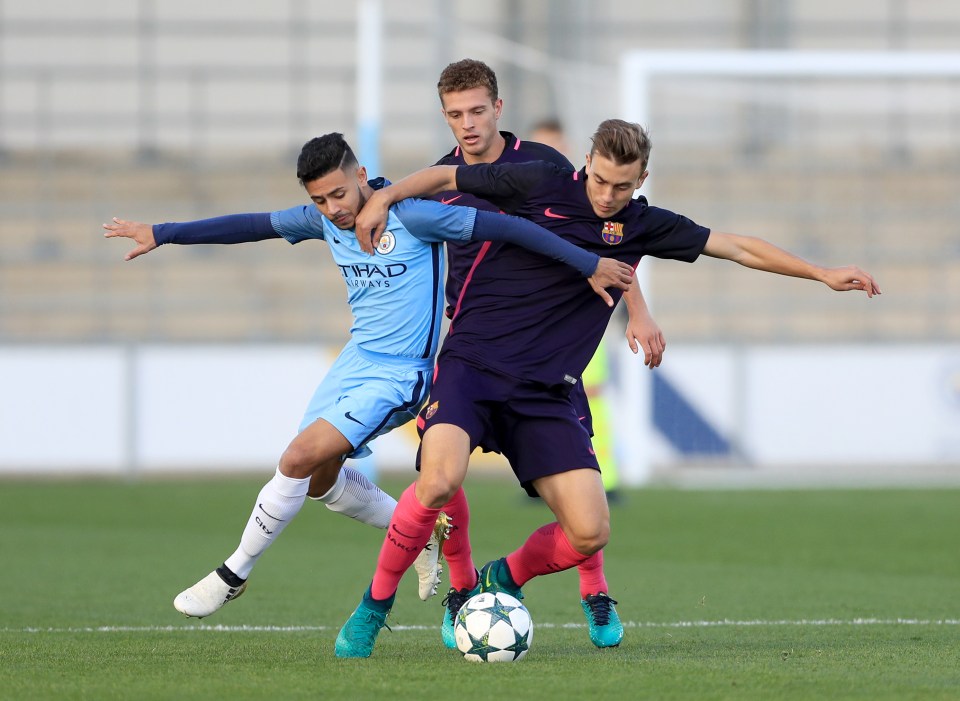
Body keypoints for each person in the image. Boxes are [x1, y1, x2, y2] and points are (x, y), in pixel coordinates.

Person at [335, 118, 880, 658]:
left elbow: (736, 247)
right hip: (472, 365)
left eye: (623, 186)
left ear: (641, 180)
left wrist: (820, 272)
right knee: (439, 480)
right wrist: (385, 199)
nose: (608, 195)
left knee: (590, 531)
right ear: (587, 164)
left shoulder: (643, 225)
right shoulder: (538, 182)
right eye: (600, 180)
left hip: (544, 392)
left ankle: (502, 576)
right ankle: (374, 608)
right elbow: (445, 179)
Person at [102, 132, 634, 619]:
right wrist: (163, 233)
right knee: (317, 478)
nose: (332, 210)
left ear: (361, 177)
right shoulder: (319, 222)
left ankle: (232, 573)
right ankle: (423, 534)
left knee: (296, 457)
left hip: (404, 374)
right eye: (319, 200)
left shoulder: (414, 216)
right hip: (356, 362)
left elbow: (509, 227)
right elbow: (251, 225)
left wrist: (586, 263)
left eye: (338, 194)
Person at [425, 59, 663, 649]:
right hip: (469, 343)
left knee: (583, 482)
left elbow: (614, 239)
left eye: (478, 109)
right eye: (457, 113)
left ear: (497, 109)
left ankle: (594, 591)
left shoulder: (547, 171)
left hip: (547, 349)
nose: (468, 123)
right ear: (446, 117)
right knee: (441, 468)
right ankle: (462, 586)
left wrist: (639, 310)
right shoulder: (440, 179)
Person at [531, 115, 623, 500]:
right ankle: (539, 475)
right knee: (535, 395)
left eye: (554, 144)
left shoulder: (593, 198)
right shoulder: (533, 194)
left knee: (590, 394)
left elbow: (624, 246)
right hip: (536, 317)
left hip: (584, 316)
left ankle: (605, 478)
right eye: (541, 145)